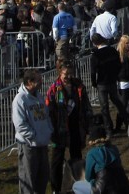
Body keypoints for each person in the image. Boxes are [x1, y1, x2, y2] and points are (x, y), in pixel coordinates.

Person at [46, 58, 92, 194]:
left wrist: (89, 124)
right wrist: (51, 129)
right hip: (59, 129)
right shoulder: (54, 89)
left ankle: (79, 186)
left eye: (70, 73)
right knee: (56, 161)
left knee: (77, 158)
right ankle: (56, 189)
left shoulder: (78, 86)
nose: (69, 76)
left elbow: (86, 106)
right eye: (66, 74)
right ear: (59, 72)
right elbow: (49, 110)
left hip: (76, 127)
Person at [12, 69, 52, 194]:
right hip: (28, 145)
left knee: (42, 177)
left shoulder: (38, 96)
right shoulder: (20, 99)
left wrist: (48, 131)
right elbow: (19, 124)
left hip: (42, 144)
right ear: (29, 82)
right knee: (28, 180)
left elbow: (46, 115)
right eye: (38, 80)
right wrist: (33, 135)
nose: (41, 82)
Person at [90, 33, 129, 135]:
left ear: (94, 43)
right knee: (118, 103)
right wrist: (115, 76)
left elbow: (93, 72)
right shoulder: (112, 50)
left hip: (102, 83)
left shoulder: (95, 55)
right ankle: (128, 122)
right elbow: (119, 65)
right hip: (112, 81)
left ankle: (109, 129)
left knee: (104, 107)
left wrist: (94, 83)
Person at [84, 119, 129, 194]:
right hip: (121, 185)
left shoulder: (91, 153)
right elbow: (119, 164)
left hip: (102, 188)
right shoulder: (114, 148)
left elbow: (88, 177)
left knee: (76, 186)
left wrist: (93, 181)